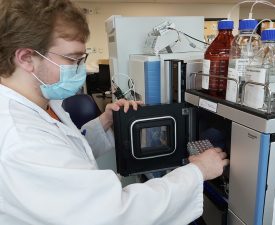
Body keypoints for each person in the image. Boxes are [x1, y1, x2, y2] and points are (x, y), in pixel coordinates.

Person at [0, 0, 229, 224]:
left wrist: (104, 123)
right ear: (26, 58)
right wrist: (197, 171)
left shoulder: (43, 102)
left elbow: (67, 153)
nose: (80, 68)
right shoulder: (21, 139)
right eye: (73, 59)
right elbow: (114, 214)